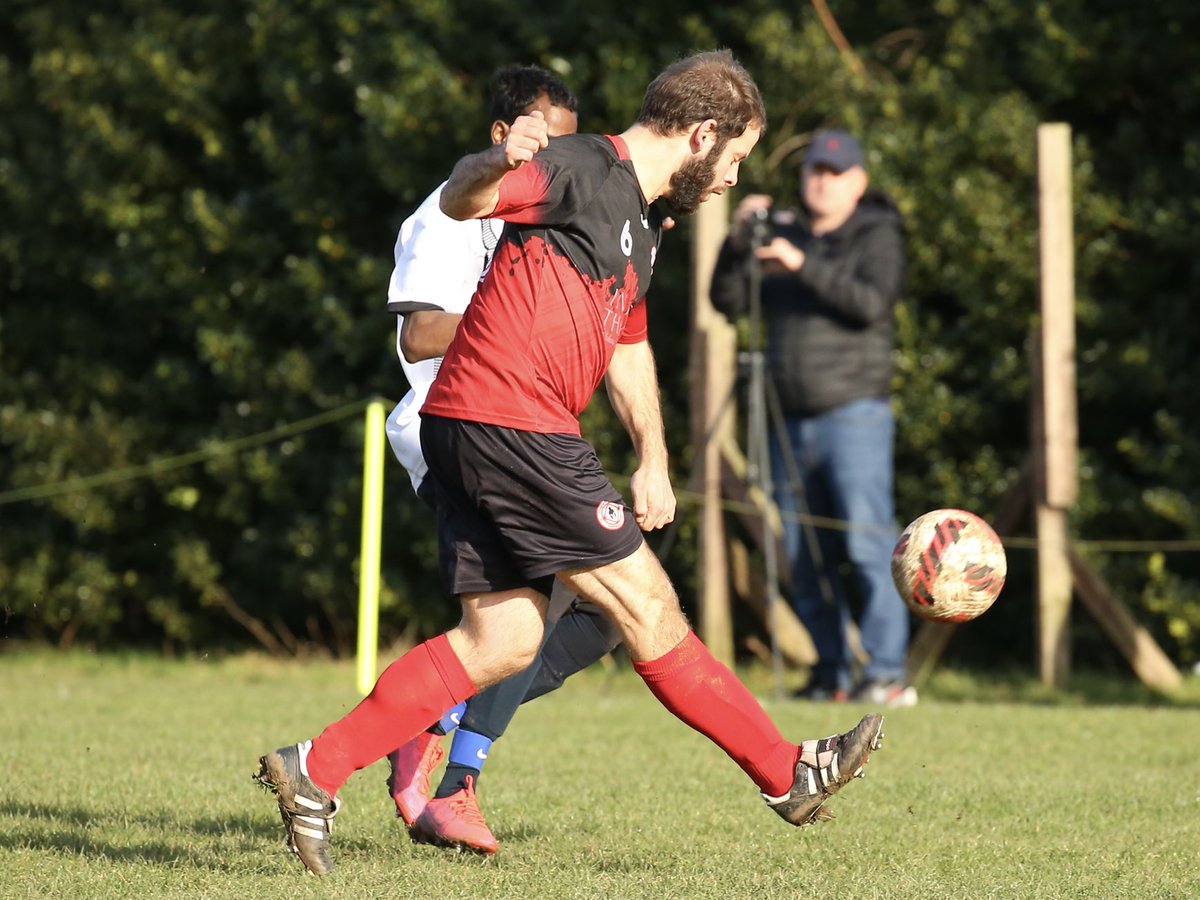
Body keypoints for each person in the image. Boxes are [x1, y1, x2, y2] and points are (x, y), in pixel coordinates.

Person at [256, 52, 884, 878]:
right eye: (734, 158)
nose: (732, 179)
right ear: (701, 136)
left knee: (505, 638)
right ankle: (786, 772)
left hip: (475, 425)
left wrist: (654, 457)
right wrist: (498, 158)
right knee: (648, 607)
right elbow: (465, 197)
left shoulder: (643, 219)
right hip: (513, 422)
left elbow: (627, 343)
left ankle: (314, 770)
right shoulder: (583, 165)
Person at [382, 64, 622, 856]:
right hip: (450, 423)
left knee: (601, 614)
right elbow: (418, 336)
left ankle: (440, 715)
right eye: (545, 137)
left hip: (525, 428)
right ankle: (458, 784)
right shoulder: (446, 217)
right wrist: (513, 319)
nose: (559, 155)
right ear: (502, 135)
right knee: (558, 594)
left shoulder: (548, 212)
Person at [709, 128, 914, 707]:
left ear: (858, 181)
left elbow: (871, 303)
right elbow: (725, 301)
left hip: (855, 416)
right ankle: (831, 673)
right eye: (814, 172)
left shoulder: (877, 235)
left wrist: (800, 264)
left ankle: (886, 672)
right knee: (804, 554)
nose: (821, 182)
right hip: (787, 420)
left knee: (868, 549)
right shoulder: (782, 232)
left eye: (834, 173)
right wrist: (736, 243)